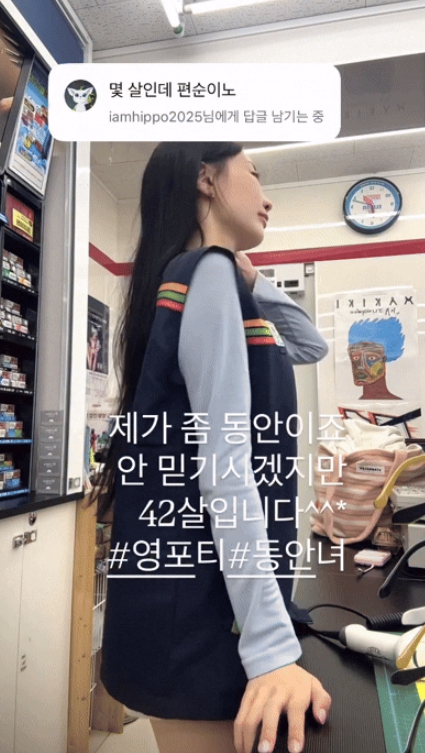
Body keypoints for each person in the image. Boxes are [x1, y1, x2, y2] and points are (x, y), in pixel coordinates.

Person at [93, 142, 331, 753]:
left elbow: (311, 345)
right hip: (203, 615)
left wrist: (255, 278)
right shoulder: (206, 274)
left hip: (207, 600)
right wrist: (271, 649)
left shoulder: (213, 279)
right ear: (206, 178)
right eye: (255, 174)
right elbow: (226, 470)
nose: (267, 197)